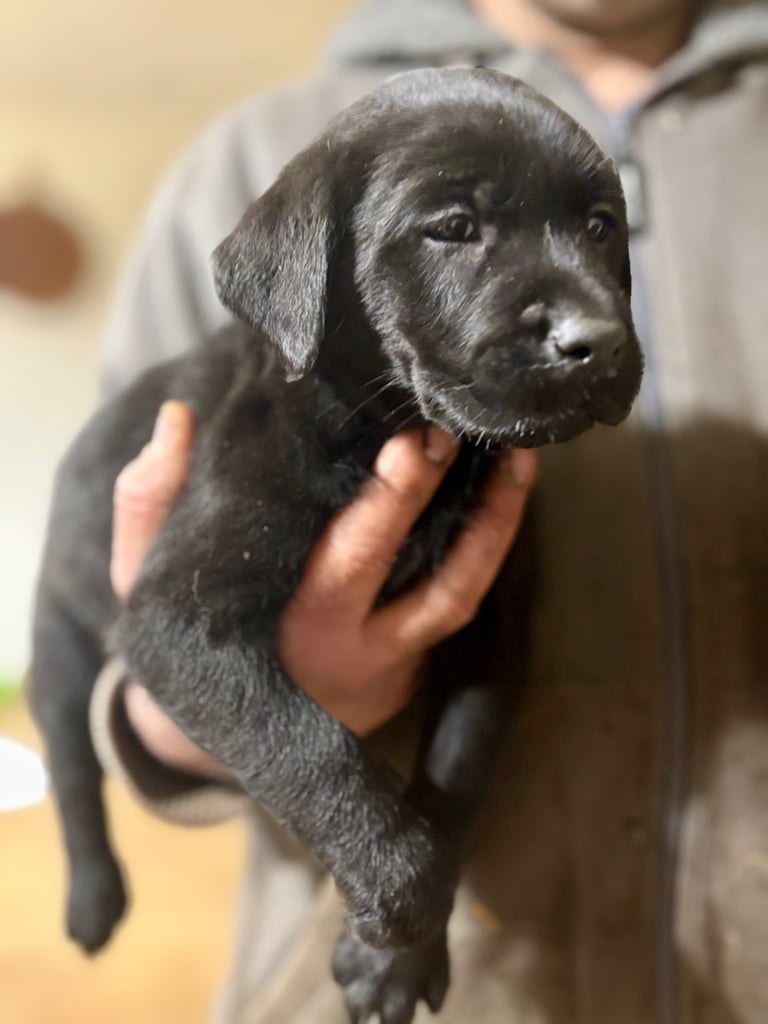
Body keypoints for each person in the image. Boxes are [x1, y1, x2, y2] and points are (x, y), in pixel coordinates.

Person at [92, 1, 768, 1021]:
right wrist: (235, 704)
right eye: (456, 227)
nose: (590, 308)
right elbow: (131, 621)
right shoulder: (258, 158)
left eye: (598, 227)